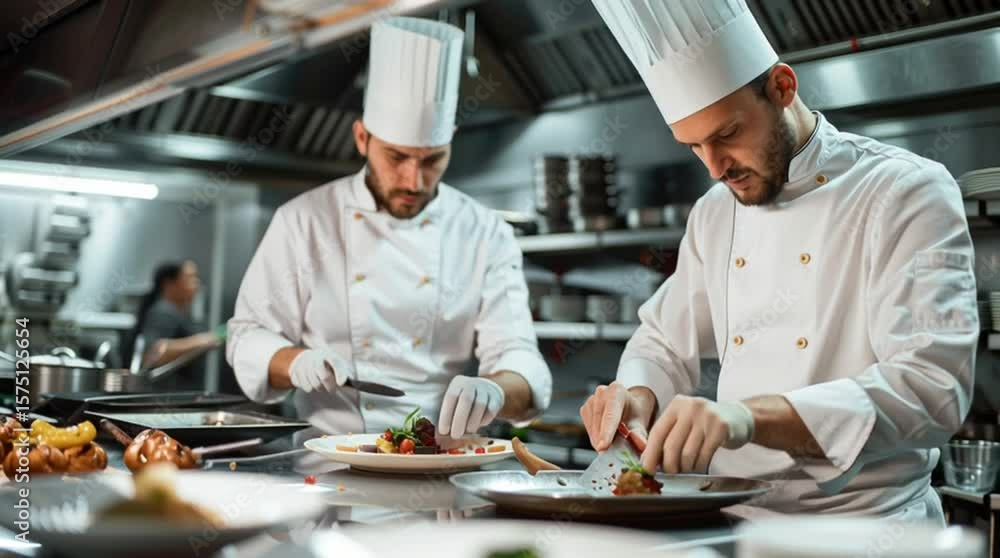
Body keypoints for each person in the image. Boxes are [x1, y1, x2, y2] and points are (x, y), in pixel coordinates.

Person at [580, 0, 977, 522]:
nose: (715, 167)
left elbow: (934, 389)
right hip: (736, 518)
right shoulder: (715, 212)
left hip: (867, 527)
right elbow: (662, 341)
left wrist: (747, 419)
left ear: (782, 87)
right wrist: (637, 396)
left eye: (727, 134)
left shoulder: (905, 191)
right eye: (694, 146)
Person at [226, 17, 552, 439]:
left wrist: (494, 390)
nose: (413, 181)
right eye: (397, 157)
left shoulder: (485, 233)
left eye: (432, 159)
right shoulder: (304, 220)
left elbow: (520, 360)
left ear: (452, 139)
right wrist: (296, 362)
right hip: (326, 455)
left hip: (439, 456)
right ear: (362, 138)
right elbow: (246, 337)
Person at [127, 260, 224, 390]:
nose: (196, 283)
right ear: (169, 284)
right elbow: (154, 352)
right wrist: (202, 340)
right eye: (190, 278)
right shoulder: (163, 312)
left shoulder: (180, 312)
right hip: (163, 394)